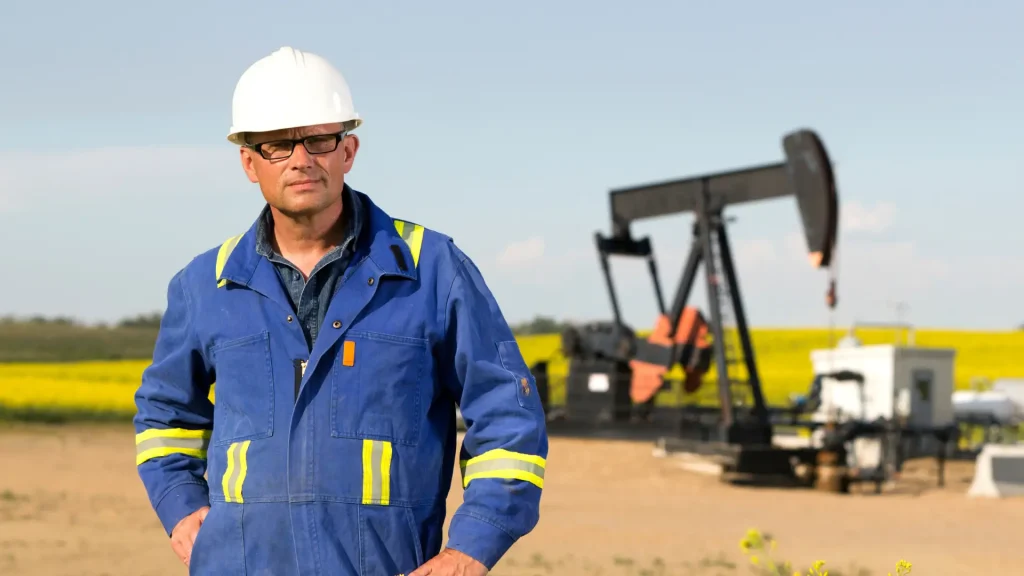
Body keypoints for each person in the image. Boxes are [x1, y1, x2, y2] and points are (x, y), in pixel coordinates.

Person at [133, 46, 549, 576]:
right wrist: (180, 504)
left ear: (348, 150)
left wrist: (472, 548)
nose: (301, 159)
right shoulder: (205, 284)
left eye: (319, 140)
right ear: (249, 162)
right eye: (278, 145)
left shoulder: (432, 270)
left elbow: (508, 416)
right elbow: (165, 414)